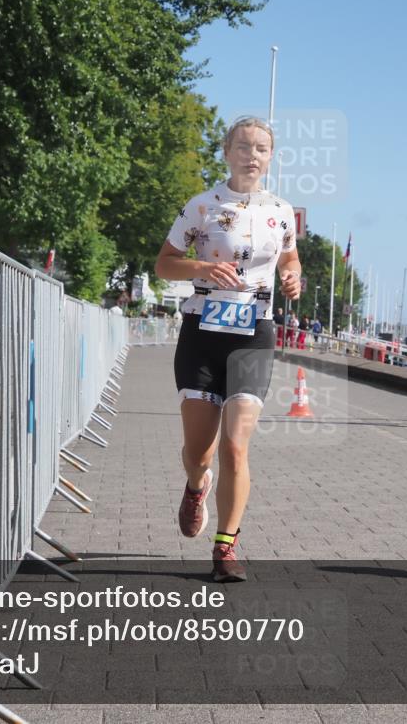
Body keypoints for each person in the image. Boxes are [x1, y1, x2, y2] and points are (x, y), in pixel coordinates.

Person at [154, 116, 301, 582]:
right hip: (202, 332)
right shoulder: (202, 206)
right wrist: (201, 266)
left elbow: (289, 256)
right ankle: (197, 487)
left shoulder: (282, 210)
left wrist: (292, 275)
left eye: (261, 148)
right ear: (226, 151)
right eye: (243, 146)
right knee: (200, 453)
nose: (251, 155)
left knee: (236, 446)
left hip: (253, 333)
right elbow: (163, 265)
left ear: (271, 157)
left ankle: (226, 548)